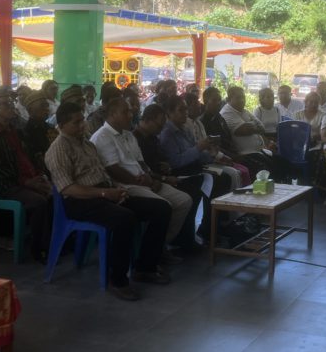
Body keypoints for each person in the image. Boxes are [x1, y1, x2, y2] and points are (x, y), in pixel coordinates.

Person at [46, 102, 171, 301]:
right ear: (61, 125)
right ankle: (118, 280)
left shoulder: (87, 144)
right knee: (125, 218)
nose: (82, 125)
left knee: (161, 208)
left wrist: (116, 188)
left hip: (103, 193)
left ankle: (145, 267)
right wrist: (104, 193)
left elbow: (102, 173)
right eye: (76, 123)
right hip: (80, 201)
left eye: (82, 120)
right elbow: (68, 188)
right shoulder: (59, 149)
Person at [90, 98, 192, 250]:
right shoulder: (102, 136)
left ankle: (161, 245)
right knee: (164, 207)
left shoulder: (128, 135)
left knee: (184, 200)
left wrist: (152, 177)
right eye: (125, 112)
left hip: (143, 180)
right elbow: (113, 170)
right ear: (112, 114)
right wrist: (141, 181)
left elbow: (141, 162)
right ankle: (148, 253)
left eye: (130, 111)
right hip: (126, 186)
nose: (131, 115)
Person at [0, 88, 52, 262]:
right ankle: (39, 249)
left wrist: (40, 175)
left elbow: (31, 157)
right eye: (6, 104)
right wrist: (27, 182)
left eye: (11, 103)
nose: (11, 106)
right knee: (39, 202)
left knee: (56, 194)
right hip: (8, 186)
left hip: (27, 180)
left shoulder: (18, 133)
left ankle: (53, 240)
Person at [134, 104, 206, 250]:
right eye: (159, 124)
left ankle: (178, 238)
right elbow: (141, 167)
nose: (161, 128)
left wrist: (165, 166)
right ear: (147, 120)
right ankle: (165, 244)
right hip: (147, 181)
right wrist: (163, 178)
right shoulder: (135, 138)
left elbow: (161, 159)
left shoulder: (153, 137)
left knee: (197, 189)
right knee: (186, 195)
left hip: (162, 176)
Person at [221, 86, 288, 180]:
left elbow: (261, 127)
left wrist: (250, 126)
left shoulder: (244, 111)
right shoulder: (227, 112)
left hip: (259, 150)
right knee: (269, 168)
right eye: (238, 98)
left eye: (243, 97)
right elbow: (243, 130)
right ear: (228, 99)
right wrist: (251, 126)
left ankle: (284, 187)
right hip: (245, 154)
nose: (242, 100)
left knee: (283, 161)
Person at [22, 90, 58, 174]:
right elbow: (37, 161)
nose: (47, 109)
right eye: (42, 105)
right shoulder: (26, 132)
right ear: (30, 110)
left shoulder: (50, 127)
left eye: (47, 105)